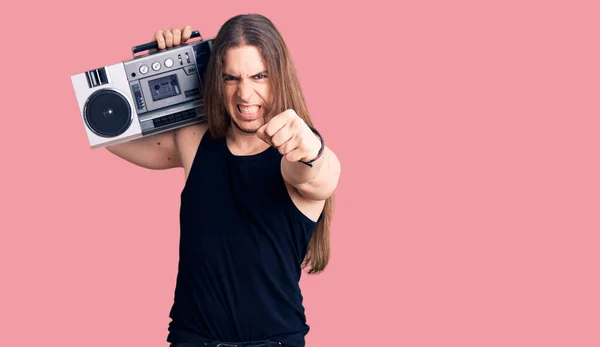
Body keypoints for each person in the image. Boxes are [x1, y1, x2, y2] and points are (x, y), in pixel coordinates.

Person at [106, 13, 341, 347]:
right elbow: (106, 131)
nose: (245, 94)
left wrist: (312, 150)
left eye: (259, 75)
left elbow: (320, 175)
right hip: (191, 340)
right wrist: (165, 68)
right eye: (232, 78)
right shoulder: (193, 141)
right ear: (218, 79)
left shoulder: (297, 157)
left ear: (279, 75)